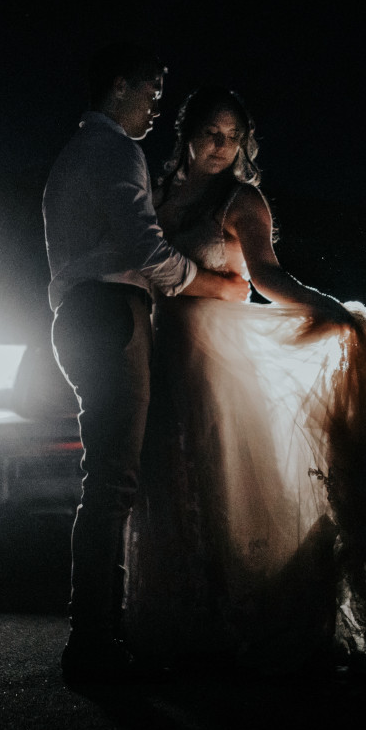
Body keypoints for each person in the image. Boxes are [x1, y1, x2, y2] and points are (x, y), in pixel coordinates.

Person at [124, 87, 366, 674]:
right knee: (173, 480)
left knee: (227, 481)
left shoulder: (241, 199)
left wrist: (329, 308)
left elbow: (263, 276)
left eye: (233, 135)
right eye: (210, 133)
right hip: (163, 347)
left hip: (217, 351)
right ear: (185, 134)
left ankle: (255, 620)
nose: (221, 146)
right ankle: (189, 621)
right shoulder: (158, 191)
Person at [43, 46, 250, 682]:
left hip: (81, 313)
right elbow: (147, 250)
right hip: (110, 313)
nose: (158, 102)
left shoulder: (71, 156)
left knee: (108, 479)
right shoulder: (114, 151)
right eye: (152, 88)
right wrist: (211, 287)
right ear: (118, 83)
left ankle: (100, 632)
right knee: (112, 484)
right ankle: (93, 642)